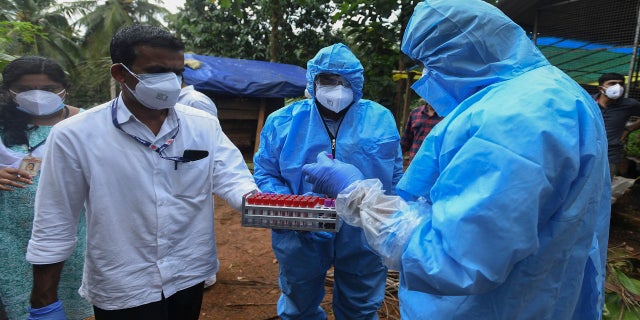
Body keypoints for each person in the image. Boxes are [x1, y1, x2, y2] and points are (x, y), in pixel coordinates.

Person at [302, 1, 611, 319]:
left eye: (431, 64)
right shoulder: (559, 95)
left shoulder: (511, 118)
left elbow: (451, 260)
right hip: (538, 297)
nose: (426, 78)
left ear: (460, 53)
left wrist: (358, 194)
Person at [26, 25, 257, 320]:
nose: (171, 82)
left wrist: (268, 206)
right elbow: (54, 220)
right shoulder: (74, 135)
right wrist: (44, 301)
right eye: (157, 71)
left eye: (177, 72)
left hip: (188, 273)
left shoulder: (203, 124)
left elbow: (233, 178)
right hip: (123, 285)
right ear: (120, 74)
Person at [253, 43, 404, 320]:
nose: (336, 88)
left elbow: (394, 174)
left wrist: (386, 217)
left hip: (363, 228)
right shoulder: (283, 122)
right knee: (299, 301)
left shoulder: (380, 118)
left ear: (356, 83)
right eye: (328, 80)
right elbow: (265, 172)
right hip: (301, 231)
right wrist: (294, 210)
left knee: (360, 305)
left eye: (344, 81)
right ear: (313, 81)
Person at [0, 56, 93, 320]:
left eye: (49, 89)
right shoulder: (3, 122)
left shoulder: (86, 123)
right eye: (27, 89)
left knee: (70, 301)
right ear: (9, 90)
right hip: (9, 239)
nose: (38, 96)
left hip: (74, 235)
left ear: (65, 88)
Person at [178, 76, 219, 289]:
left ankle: (205, 276)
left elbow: (210, 142)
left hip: (194, 172)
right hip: (179, 173)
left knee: (197, 223)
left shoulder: (195, 101)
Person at [594, 72, 640, 177]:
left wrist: (629, 129)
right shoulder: (588, 101)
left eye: (621, 84)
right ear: (601, 88)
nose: (618, 87)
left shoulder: (629, 104)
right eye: (612, 83)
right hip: (585, 150)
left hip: (610, 154)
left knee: (603, 185)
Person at [400, 98, 443, 165]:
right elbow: (406, 140)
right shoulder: (415, 113)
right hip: (415, 162)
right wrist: (395, 157)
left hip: (435, 164)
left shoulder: (447, 115)